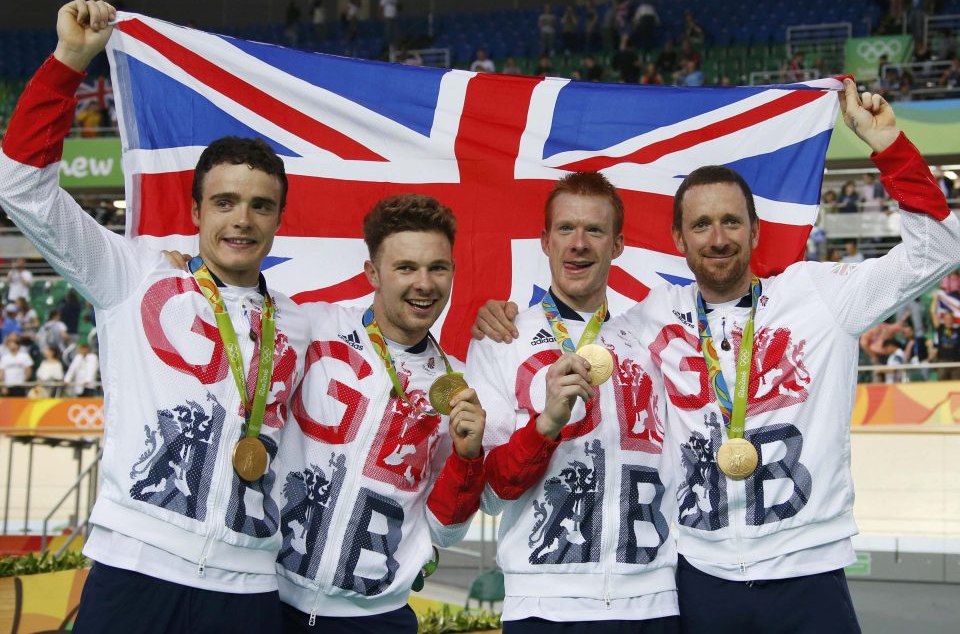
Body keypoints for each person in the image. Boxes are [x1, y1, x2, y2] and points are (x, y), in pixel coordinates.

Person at [472, 78, 960, 632]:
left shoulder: (820, 296)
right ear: (678, 241)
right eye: (700, 225)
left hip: (809, 573)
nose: (717, 237)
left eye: (731, 222)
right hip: (699, 580)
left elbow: (939, 251)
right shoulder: (646, 321)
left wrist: (888, 145)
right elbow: (570, 315)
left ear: (755, 231)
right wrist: (497, 313)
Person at [0, 0, 311, 633]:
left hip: (248, 584)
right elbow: (20, 188)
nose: (242, 220)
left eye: (260, 206)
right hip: (133, 567)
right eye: (225, 202)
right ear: (195, 211)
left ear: (279, 221)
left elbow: (406, 320)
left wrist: (487, 318)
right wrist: (69, 63)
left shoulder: (306, 323)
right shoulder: (133, 274)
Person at [467, 172, 677, 632]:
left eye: (595, 231)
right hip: (544, 605)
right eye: (565, 229)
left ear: (618, 245)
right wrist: (543, 426)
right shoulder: (503, 340)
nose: (578, 243)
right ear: (544, 242)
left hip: (651, 603)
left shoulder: (653, 339)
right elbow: (488, 494)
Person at [275, 194, 486, 633]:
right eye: (406, 267)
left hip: (376, 620)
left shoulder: (458, 387)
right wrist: (185, 268)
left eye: (438, 268)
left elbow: (446, 532)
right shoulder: (311, 326)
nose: (424, 283)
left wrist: (468, 460)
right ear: (372, 272)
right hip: (266, 601)